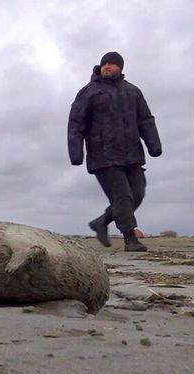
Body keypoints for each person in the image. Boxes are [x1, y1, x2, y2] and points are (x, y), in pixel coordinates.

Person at [68, 51, 162, 252]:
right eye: (104, 64)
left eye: (111, 64)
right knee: (123, 196)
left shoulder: (133, 91)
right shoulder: (89, 92)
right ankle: (130, 239)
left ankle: (101, 222)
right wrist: (76, 153)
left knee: (137, 193)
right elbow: (76, 123)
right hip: (103, 155)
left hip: (132, 154)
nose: (106, 67)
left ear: (120, 67)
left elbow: (145, 119)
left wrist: (153, 144)